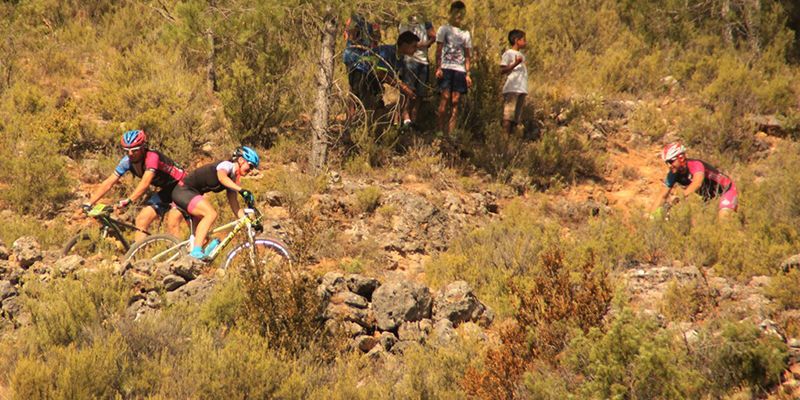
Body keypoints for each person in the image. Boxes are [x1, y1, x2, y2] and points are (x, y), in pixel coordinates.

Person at [85, 130, 186, 241]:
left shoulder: (152, 157)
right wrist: (89, 203)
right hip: (167, 190)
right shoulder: (127, 161)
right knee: (142, 220)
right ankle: (138, 254)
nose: (130, 154)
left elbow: (145, 183)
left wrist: (129, 200)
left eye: (134, 150)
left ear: (143, 147)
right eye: (127, 150)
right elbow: (108, 183)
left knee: (172, 221)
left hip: (183, 185)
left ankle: (184, 256)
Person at [171, 146, 260, 260]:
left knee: (202, 238)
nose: (251, 170)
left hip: (192, 194)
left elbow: (235, 206)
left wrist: (248, 222)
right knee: (211, 214)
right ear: (241, 160)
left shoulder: (233, 179)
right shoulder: (227, 165)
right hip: (183, 191)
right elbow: (222, 177)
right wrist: (241, 190)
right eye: (250, 166)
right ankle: (196, 252)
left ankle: (196, 255)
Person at [652, 142, 739, 218]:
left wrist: (680, 197)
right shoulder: (672, 174)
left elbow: (697, 183)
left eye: (671, 161)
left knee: (724, 220)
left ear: (681, 158)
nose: (669, 166)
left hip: (727, 190)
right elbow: (662, 195)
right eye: (666, 163)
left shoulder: (696, 165)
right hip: (710, 198)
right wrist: (651, 216)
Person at [350, 31, 420, 114]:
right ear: (404, 45)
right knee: (360, 103)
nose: (416, 50)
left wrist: (408, 88)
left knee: (377, 103)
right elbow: (381, 73)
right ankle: (353, 122)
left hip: (373, 77)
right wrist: (403, 87)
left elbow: (392, 76)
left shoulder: (400, 58)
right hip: (360, 72)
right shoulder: (388, 52)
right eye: (414, 46)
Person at [435, 1, 472, 135]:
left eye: (461, 13)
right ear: (451, 13)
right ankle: (440, 131)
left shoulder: (466, 33)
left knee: (455, 102)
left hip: (460, 70)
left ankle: (451, 132)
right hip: (446, 68)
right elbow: (438, 50)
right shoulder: (444, 29)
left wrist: (468, 74)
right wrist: (438, 67)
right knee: (444, 98)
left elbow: (467, 55)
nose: (459, 16)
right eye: (456, 12)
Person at [398, 15, 435, 128]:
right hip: (409, 60)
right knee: (407, 90)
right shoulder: (405, 17)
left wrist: (427, 43)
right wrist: (420, 44)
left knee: (420, 93)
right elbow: (402, 40)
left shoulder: (425, 19)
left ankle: (414, 120)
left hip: (423, 61)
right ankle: (405, 119)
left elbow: (433, 36)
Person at [500, 29, 528, 134]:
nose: (525, 42)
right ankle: (503, 142)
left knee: (516, 120)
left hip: (521, 90)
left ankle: (511, 144)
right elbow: (502, 70)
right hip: (512, 89)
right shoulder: (508, 53)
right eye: (523, 39)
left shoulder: (522, 55)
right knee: (508, 117)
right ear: (516, 40)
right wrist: (515, 64)